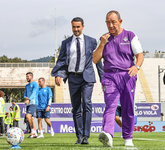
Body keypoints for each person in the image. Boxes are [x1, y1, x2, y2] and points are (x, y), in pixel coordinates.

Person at [93, 10, 144, 147]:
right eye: (108, 22)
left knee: (128, 108)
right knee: (110, 105)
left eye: (113, 22)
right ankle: (108, 135)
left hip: (128, 75)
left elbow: (140, 55)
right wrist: (102, 44)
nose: (111, 25)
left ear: (120, 22)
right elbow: (95, 59)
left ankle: (128, 137)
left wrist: (136, 67)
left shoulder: (130, 36)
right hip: (109, 76)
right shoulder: (103, 38)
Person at [51, 17, 103, 144]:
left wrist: (103, 79)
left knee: (87, 103)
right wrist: (58, 74)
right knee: (76, 108)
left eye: (78, 27)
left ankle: (86, 136)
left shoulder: (91, 41)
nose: (76, 29)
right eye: (74, 27)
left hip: (87, 78)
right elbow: (62, 61)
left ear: (83, 27)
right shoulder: (66, 43)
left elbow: (97, 60)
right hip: (73, 78)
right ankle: (79, 136)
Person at [24, 72, 39, 138]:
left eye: (28, 76)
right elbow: (25, 93)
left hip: (34, 103)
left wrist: (29, 99)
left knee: (28, 116)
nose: (27, 77)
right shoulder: (27, 86)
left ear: (31, 77)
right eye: (26, 76)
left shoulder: (35, 84)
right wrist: (25, 97)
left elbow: (34, 93)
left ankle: (32, 131)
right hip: (28, 104)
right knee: (31, 118)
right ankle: (35, 133)